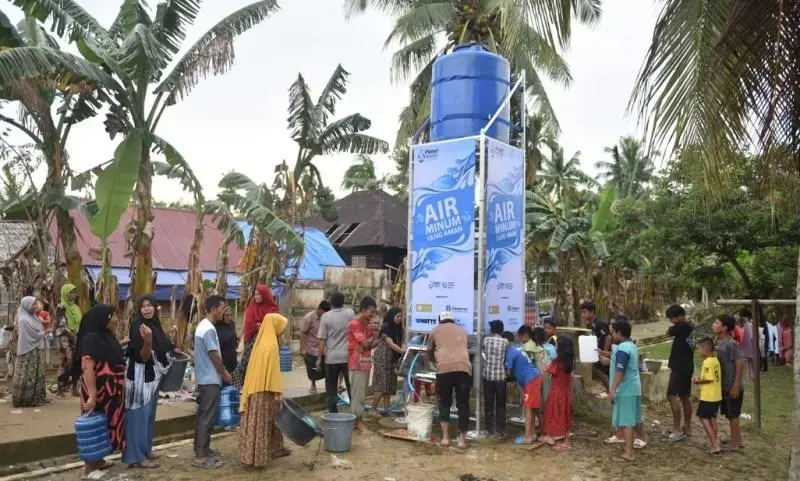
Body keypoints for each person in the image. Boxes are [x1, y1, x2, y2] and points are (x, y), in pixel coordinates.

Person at [123, 295, 177, 468]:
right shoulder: (139, 326)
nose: (147, 309)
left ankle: (145, 450)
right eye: (143, 306)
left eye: (150, 305)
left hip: (151, 379)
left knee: (148, 417)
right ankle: (136, 457)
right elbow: (143, 357)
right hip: (139, 380)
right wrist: (148, 341)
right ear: (139, 309)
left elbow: (163, 346)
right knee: (138, 417)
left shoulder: (154, 325)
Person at [74, 304, 126, 478]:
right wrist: (92, 394)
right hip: (99, 392)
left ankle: (99, 460)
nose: (116, 320)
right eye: (112, 316)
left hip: (110, 393)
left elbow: (109, 354)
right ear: (103, 318)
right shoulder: (91, 338)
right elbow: (87, 368)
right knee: (95, 426)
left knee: (105, 426)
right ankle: (89, 466)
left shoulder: (104, 336)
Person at [239, 304, 290, 468]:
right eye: (281, 328)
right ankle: (258, 459)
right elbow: (273, 373)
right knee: (262, 426)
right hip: (265, 392)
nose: (281, 331)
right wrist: (278, 393)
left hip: (253, 391)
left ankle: (250, 456)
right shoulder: (272, 346)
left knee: (253, 426)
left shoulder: (260, 343)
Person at [192, 295, 232, 469]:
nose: (223, 312)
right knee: (207, 417)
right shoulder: (208, 329)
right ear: (214, 309)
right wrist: (224, 373)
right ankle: (200, 457)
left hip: (205, 377)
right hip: (209, 379)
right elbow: (213, 355)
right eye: (222, 308)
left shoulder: (205, 326)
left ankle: (203, 449)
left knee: (205, 416)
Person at [428, 311, 472, 450]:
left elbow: (430, 350)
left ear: (440, 321)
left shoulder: (435, 331)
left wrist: (434, 362)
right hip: (463, 369)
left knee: (444, 403)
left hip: (444, 370)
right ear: (452, 321)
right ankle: (461, 440)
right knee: (463, 404)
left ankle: (446, 438)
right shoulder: (463, 331)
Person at [607, 319, 642, 462]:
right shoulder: (631, 346)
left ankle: (629, 452)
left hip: (626, 388)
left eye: (613, 332)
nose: (612, 335)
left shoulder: (622, 349)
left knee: (627, 421)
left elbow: (620, 370)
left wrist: (613, 389)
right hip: (634, 386)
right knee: (630, 420)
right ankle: (628, 447)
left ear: (619, 333)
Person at [233, 285, 278, 390]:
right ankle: (243, 385)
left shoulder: (273, 308)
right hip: (252, 340)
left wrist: (261, 325)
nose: (256, 296)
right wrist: (260, 325)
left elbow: (275, 323)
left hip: (267, 341)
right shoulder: (252, 306)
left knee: (263, 366)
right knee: (247, 363)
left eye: (259, 294)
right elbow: (249, 323)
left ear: (264, 295)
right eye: (255, 294)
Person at [316, 292, 355, 413]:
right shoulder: (350, 313)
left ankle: (333, 414)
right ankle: (354, 413)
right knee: (351, 386)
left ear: (331, 303)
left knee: (331, 388)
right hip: (347, 357)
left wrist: (318, 359)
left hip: (331, 358)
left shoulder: (326, 317)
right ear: (343, 301)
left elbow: (322, 340)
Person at [712, 314, 745, 451]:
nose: (713, 324)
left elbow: (739, 363)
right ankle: (738, 439)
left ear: (724, 327)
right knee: (729, 414)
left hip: (732, 385)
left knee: (733, 415)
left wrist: (736, 385)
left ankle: (734, 444)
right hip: (724, 385)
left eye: (716, 322)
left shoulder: (731, 344)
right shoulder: (719, 342)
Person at [502, 331, 541, 444]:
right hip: (534, 377)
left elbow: (508, 373)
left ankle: (527, 437)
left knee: (528, 409)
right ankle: (532, 433)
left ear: (507, 342)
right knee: (532, 408)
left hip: (530, 380)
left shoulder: (510, 353)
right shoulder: (518, 348)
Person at [347, 296, 378, 433]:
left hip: (365, 363)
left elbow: (370, 345)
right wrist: (373, 338)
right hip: (356, 364)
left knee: (362, 394)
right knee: (358, 394)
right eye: (371, 312)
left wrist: (374, 337)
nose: (372, 315)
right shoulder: (355, 324)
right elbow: (366, 344)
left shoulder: (367, 325)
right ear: (363, 310)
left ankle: (358, 418)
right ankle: (356, 422)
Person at [12, 296, 50, 407]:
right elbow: (32, 334)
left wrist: (43, 332)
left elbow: (39, 329)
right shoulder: (23, 319)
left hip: (36, 350)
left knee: (36, 374)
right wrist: (45, 332)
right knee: (27, 375)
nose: (35, 307)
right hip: (27, 352)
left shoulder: (34, 317)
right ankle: (24, 400)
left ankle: (36, 398)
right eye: (33, 305)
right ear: (27, 305)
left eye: (35, 304)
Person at [538, 336, 574, 451]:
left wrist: (543, 358)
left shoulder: (557, 362)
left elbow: (547, 371)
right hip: (566, 393)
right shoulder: (570, 361)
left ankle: (555, 437)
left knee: (552, 414)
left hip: (556, 392)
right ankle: (564, 440)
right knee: (565, 416)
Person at [665, 304, 694, 441]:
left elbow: (669, 332)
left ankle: (677, 429)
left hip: (680, 367)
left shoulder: (683, 327)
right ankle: (687, 427)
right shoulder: (687, 327)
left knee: (671, 395)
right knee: (684, 396)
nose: (672, 320)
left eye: (673, 318)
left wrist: (674, 326)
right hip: (686, 365)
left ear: (680, 316)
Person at [370, 307, 405, 414]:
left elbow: (402, 341)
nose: (399, 319)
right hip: (382, 360)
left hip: (392, 360)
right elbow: (391, 344)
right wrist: (403, 351)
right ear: (392, 316)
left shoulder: (399, 329)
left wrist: (403, 348)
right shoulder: (386, 328)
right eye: (397, 316)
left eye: (401, 316)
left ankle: (386, 409)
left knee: (389, 387)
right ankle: (373, 409)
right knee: (381, 386)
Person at [693, 337, 722, 454]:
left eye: (699, 349)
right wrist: (701, 378)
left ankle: (715, 445)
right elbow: (712, 377)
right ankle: (714, 442)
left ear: (705, 349)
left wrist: (697, 381)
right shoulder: (715, 360)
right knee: (712, 418)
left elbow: (708, 379)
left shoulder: (707, 362)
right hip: (716, 395)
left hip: (708, 396)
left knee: (703, 417)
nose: (698, 352)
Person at [482, 320, 508, 439]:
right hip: (500, 376)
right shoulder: (505, 342)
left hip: (487, 376)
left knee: (489, 403)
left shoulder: (486, 340)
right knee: (501, 404)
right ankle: (500, 429)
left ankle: (489, 429)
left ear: (492, 330)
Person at [300, 300, 331, 394]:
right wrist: (303, 348)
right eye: (323, 313)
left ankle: (329, 387)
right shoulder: (308, 318)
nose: (324, 315)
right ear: (319, 309)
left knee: (327, 369)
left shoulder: (326, 318)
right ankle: (313, 385)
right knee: (312, 369)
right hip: (311, 348)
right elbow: (302, 333)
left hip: (324, 348)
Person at [56, 283, 81, 396]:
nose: (73, 294)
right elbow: (61, 326)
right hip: (65, 339)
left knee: (77, 363)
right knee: (66, 362)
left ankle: (74, 388)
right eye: (70, 292)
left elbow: (80, 322)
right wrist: (72, 334)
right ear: (65, 293)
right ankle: (60, 388)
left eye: (74, 292)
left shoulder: (76, 307)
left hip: (76, 337)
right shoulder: (61, 307)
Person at [581, 301, 611, 384]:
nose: (583, 315)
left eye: (584, 312)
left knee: (604, 373)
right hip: (597, 353)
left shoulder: (599, 323)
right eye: (582, 312)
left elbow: (608, 337)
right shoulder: (591, 324)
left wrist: (603, 353)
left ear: (592, 312)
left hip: (603, 354)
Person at [216, 306, 239, 374]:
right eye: (227, 315)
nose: (229, 317)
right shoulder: (216, 327)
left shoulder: (232, 324)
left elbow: (233, 336)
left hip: (233, 360)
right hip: (222, 362)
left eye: (231, 315)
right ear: (222, 315)